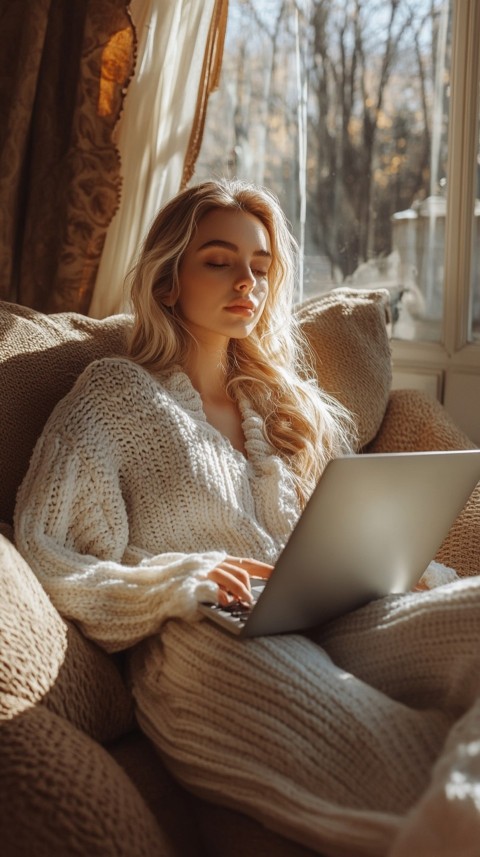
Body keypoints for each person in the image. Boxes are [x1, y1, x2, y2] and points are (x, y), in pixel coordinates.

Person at [14, 179, 480, 857]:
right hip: (207, 641)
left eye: (260, 266)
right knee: (394, 757)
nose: (247, 281)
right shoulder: (112, 398)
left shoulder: (286, 405)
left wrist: (415, 573)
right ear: (169, 280)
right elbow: (50, 553)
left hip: (335, 613)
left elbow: (345, 529)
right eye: (218, 260)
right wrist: (185, 577)